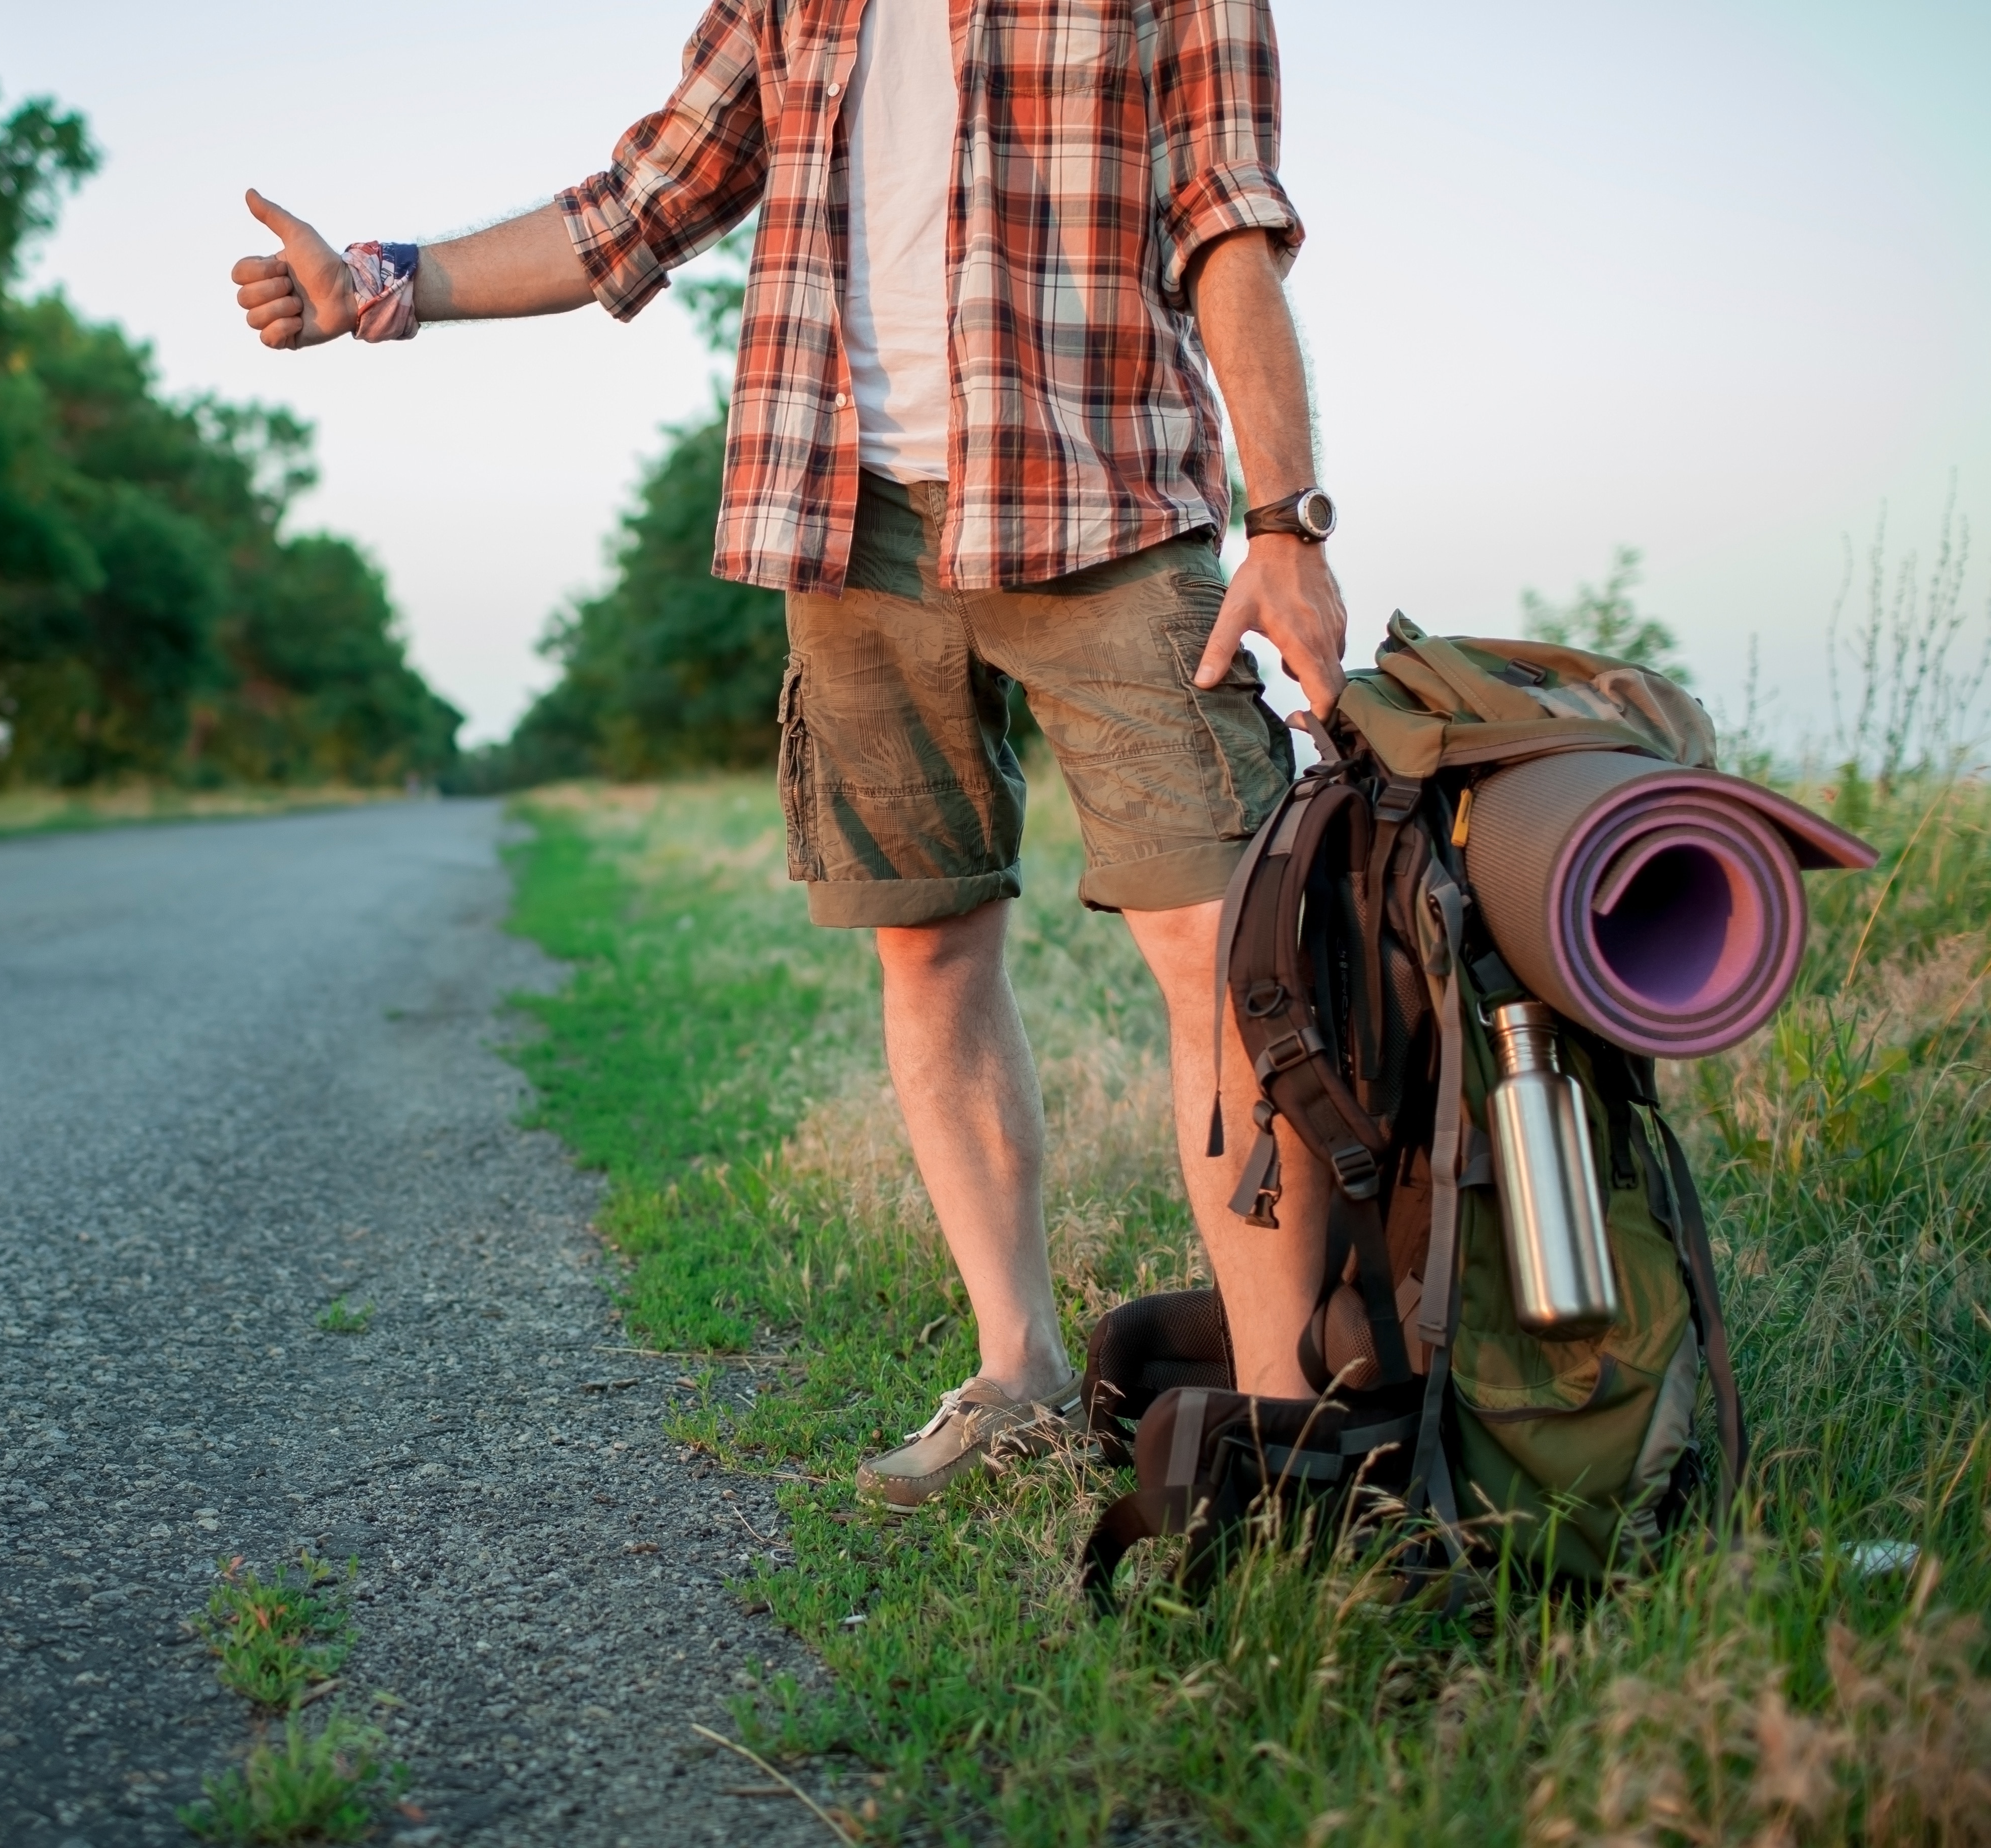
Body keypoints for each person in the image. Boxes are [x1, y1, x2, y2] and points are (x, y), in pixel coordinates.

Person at [229, 0, 1346, 1508]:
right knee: (928, 942)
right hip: (843, 518)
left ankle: (1286, 1439)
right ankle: (1012, 1376)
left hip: (1100, 502)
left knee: (1223, 947)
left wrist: (1283, 522)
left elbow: (1228, 225)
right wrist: (387, 282)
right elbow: (641, 204)